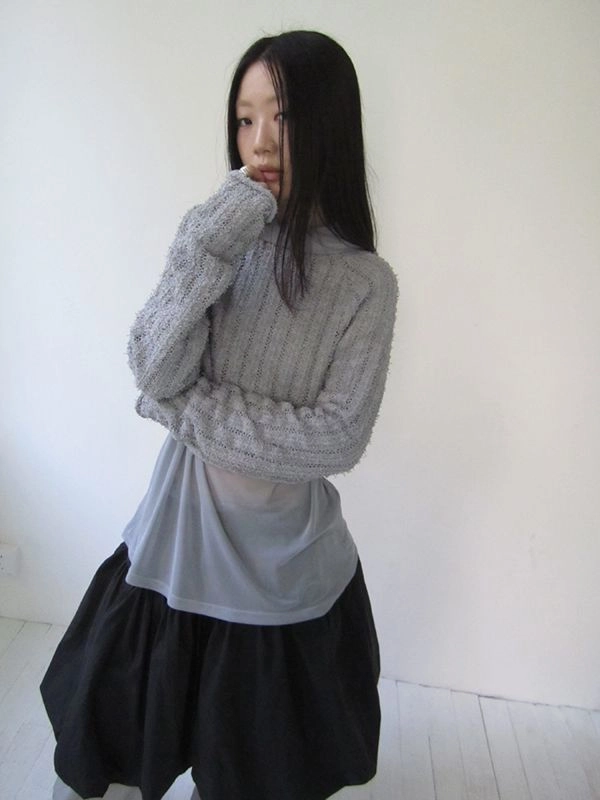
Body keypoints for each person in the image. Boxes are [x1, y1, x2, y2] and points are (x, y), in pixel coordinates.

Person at [40, 29, 398, 800]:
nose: (259, 140)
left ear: (330, 123)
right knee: (101, 761)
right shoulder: (218, 240)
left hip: (284, 577)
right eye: (244, 118)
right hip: (172, 552)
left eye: (283, 115)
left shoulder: (367, 283)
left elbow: (335, 437)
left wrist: (179, 407)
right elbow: (153, 363)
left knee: (250, 780)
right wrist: (207, 241)